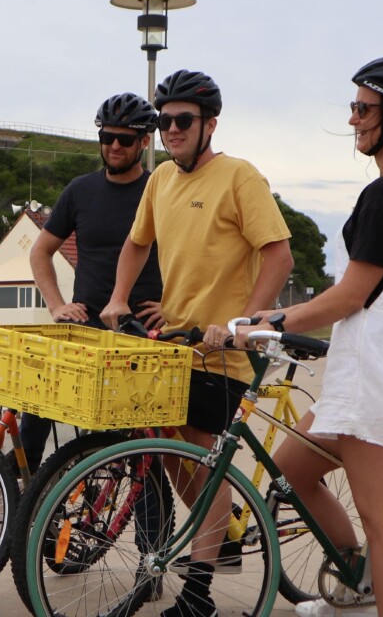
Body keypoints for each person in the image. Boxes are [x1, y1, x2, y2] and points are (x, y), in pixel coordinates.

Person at [235, 55, 383, 617]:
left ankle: (374, 590)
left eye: (363, 108)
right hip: (365, 375)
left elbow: (350, 296)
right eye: (352, 107)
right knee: (291, 476)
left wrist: (271, 321)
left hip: (377, 379)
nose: (354, 119)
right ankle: (356, 586)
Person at [101, 69, 294, 617]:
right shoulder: (161, 181)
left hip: (224, 353)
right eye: (163, 122)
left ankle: (200, 593)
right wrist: (118, 297)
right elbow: (137, 244)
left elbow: (279, 255)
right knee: (168, 450)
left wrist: (246, 320)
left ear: (210, 123)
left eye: (182, 121)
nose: (171, 131)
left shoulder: (239, 177)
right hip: (178, 345)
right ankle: (221, 536)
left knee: (202, 465)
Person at [24, 91, 165, 470]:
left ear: (144, 142)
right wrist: (56, 306)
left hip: (141, 328)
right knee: (38, 387)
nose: (115, 146)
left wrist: (174, 306)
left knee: (140, 445)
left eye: (125, 139)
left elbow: (189, 255)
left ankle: (151, 529)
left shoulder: (159, 192)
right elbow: (40, 252)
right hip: (86, 322)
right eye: (107, 137)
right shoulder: (80, 191)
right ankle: (23, 479)